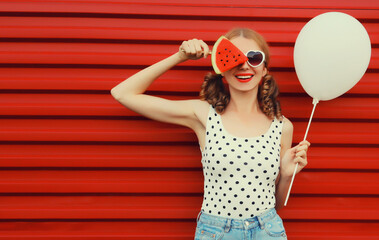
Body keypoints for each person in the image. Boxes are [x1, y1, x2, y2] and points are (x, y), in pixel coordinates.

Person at [111, 28, 310, 239]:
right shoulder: (203, 115)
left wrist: (287, 176)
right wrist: (179, 57)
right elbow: (122, 93)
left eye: (254, 58)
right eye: (234, 59)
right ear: (221, 68)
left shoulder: (282, 127)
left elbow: (277, 203)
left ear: (264, 69)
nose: (244, 65)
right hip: (216, 231)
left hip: (268, 230)